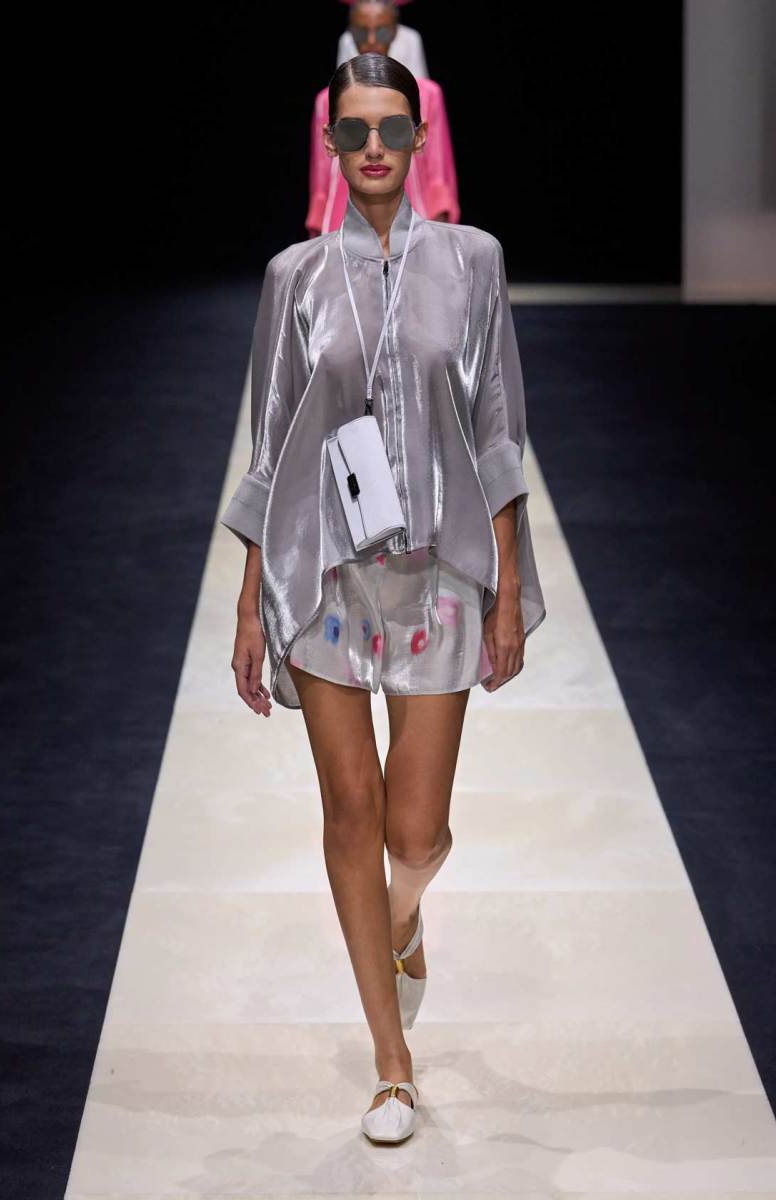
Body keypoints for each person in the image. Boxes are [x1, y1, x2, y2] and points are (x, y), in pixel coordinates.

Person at [221, 53, 546, 1144]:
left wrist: (507, 587)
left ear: (417, 139)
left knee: (418, 830)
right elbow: (271, 443)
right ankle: (392, 1063)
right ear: (330, 145)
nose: (372, 147)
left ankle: (402, 917)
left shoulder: (472, 261)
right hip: (322, 571)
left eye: (391, 129)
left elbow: (498, 428)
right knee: (350, 813)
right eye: (354, 130)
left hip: (442, 572)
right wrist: (247, 603)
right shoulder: (293, 278)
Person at [306, 67, 459, 234]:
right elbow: (321, 172)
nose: (374, 150)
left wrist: (439, 228)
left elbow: (438, 167)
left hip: (420, 213)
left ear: (420, 136)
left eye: (395, 129)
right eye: (353, 130)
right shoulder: (327, 98)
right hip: (337, 217)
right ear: (329, 141)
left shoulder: (428, 93)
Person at [336, 0, 429, 78]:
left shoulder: (410, 38)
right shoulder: (346, 40)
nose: (371, 41)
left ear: (395, 31)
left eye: (382, 33)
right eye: (361, 33)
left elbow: (420, 84)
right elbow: (341, 82)